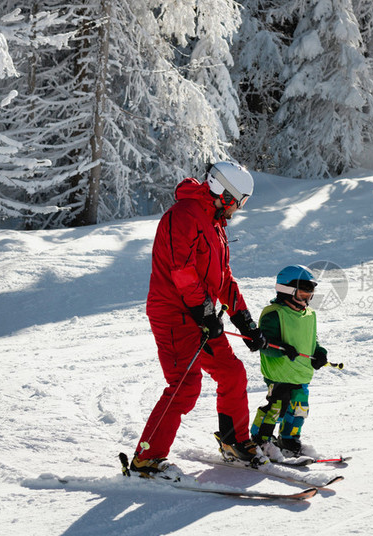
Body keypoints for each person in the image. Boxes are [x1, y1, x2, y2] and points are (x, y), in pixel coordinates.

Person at [131, 160, 269, 478]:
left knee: (232, 373)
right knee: (185, 385)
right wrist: (205, 312)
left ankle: (234, 441)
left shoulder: (214, 223)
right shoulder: (183, 217)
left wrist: (244, 320)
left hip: (198, 313)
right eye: (240, 201)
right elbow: (182, 271)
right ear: (225, 194)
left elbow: (223, 278)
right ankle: (146, 459)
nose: (239, 209)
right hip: (175, 314)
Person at [250, 265, 330, 459]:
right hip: (279, 373)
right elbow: (264, 344)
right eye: (303, 292)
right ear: (287, 290)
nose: (307, 298)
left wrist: (319, 353)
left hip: (301, 373)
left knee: (299, 410)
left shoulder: (309, 315)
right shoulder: (274, 313)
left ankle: (288, 440)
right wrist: (281, 347)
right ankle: (260, 440)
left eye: (310, 293)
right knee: (276, 407)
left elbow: (312, 340)